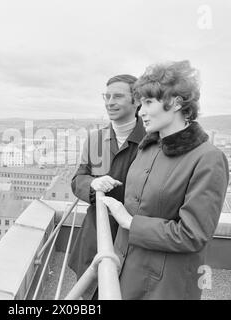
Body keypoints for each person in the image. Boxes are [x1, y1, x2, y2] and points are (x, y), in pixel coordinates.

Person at [101, 60, 229, 300]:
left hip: (164, 286)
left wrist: (130, 222)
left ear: (177, 102)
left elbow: (193, 234)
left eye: (149, 102)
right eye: (141, 103)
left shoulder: (209, 158)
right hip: (124, 272)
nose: (141, 112)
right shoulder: (146, 149)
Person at [68, 74, 146, 299]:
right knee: (90, 293)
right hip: (96, 232)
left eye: (118, 96)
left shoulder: (152, 141)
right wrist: (92, 183)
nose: (110, 102)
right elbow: (77, 179)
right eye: (107, 96)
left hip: (132, 236)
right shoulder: (94, 139)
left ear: (137, 101)